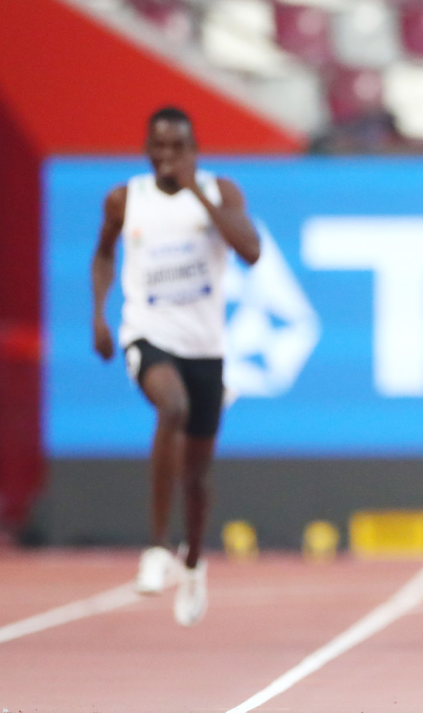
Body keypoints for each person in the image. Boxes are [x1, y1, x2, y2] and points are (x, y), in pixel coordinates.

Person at [91, 107, 260, 626]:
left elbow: (250, 250)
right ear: (146, 149)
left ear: (194, 149)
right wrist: (99, 313)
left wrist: (199, 195)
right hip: (148, 334)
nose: (167, 157)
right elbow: (103, 255)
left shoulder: (219, 190)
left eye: (177, 147)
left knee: (198, 475)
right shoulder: (126, 198)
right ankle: (157, 548)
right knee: (172, 408)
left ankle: (192, 561)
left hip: (205, 346)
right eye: (158, 147)